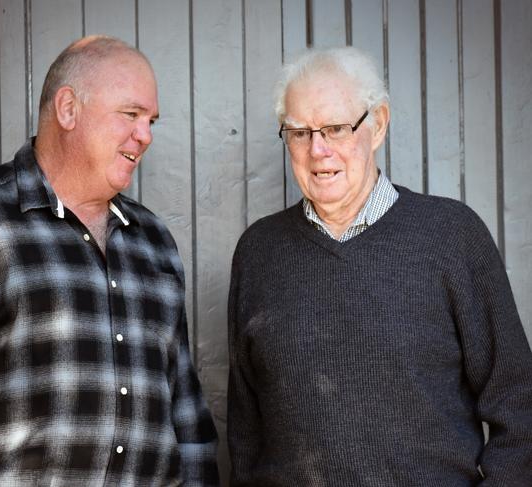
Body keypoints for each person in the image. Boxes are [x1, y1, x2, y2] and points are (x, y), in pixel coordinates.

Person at [0, 35, 219, 486]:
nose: (145, 135)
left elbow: (186, 412)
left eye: (151, 121)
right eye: (131, 114)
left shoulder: (154, 241)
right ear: (68, 109)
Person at [227, 46, 532, 485]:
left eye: (335, 128)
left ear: (379, 125)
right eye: (299, 132)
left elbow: (519, 405)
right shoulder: (259, 252)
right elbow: (245, 433)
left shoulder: (451, 236)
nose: (318, 150)